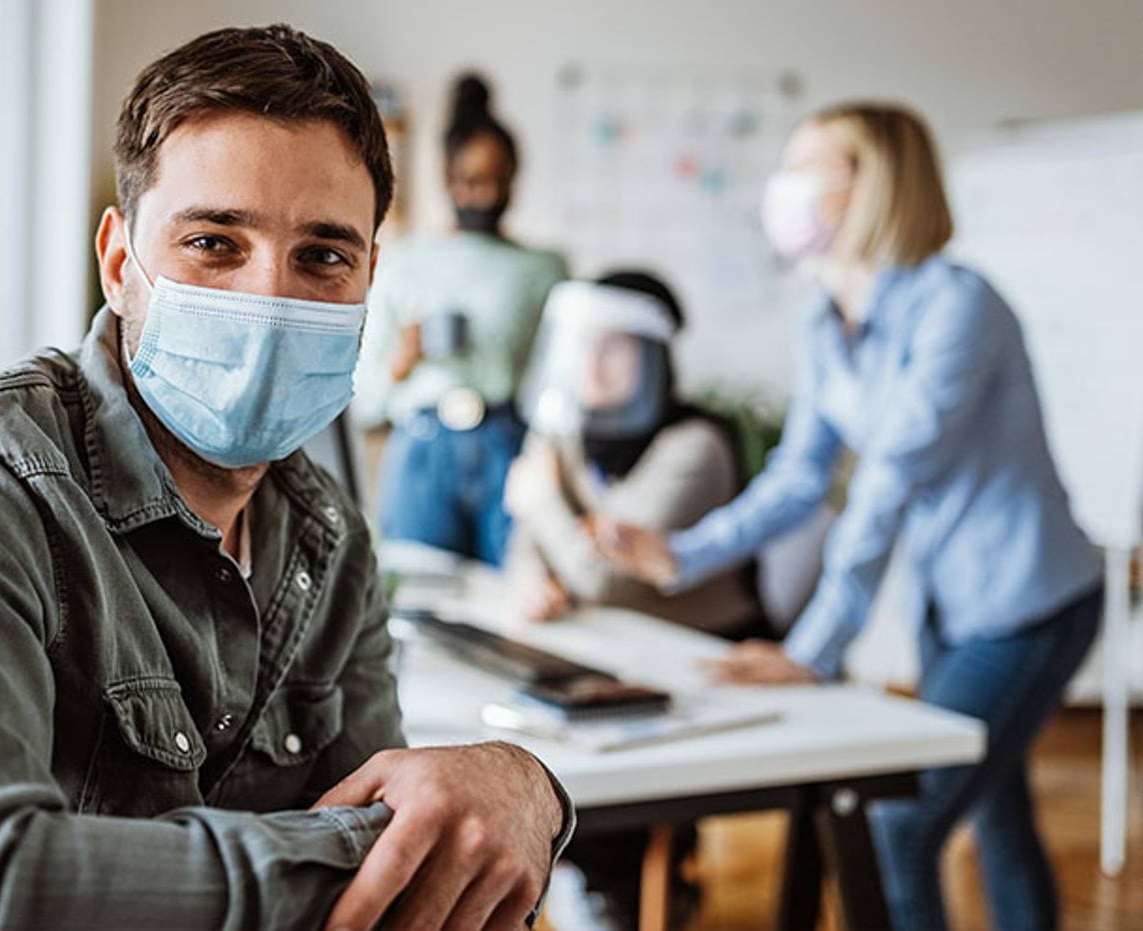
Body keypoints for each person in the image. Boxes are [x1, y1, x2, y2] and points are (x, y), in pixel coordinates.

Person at [0, 26, 574, 931]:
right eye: (215, 243)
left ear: (370, 278)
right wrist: (391, 842)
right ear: (120, 262)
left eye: (323, 256)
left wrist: (527, 786)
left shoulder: (327, 536)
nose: (270, 299)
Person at [597, 102, 1102, 931]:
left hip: (1031, 605)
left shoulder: (958, 307)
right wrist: (681, 555)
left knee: (901, 822)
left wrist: (814, 650)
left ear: (874, 185)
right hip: (953, 604)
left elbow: (887, 484)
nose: (784, 188)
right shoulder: (825, 319)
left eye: (808, 167)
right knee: (995, 811)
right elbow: (799, 477)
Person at [352, 74, 568, 566]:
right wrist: (405, 358)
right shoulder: (405, 261)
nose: (483, 194)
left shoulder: (543, 268)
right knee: (420, 596)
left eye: (497, 180)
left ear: (515, 179)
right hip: (423, 448)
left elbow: (560, 378)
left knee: (516, 593)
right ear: (447, 179)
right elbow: (365, 401)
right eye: (470, 180)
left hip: (509, 445)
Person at [504, 270, 764, 636]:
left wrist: (542, 499)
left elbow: (606, 582)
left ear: (652, 355)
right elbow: (526, 541)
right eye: (583, 345)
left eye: (613, 347)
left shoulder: (696, 446)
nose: (592, 365)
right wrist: (534, 584)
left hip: (701, 644)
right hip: (606, 639)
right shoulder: (566, 432)